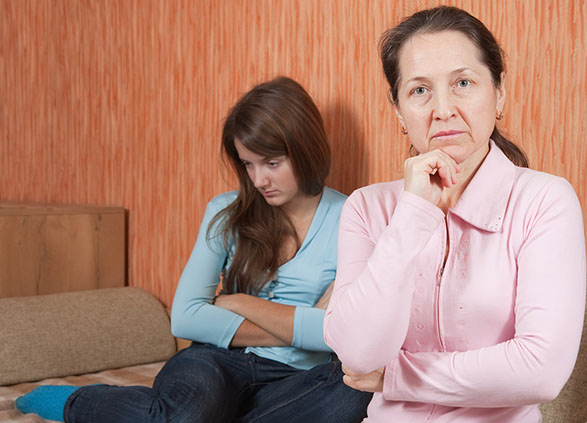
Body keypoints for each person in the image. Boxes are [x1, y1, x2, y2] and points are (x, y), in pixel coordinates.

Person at [17, 76, 372, 423]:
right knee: (188, 411)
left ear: (306, 148)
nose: (258, 180)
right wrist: (300, 323)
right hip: (216, 361)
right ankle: (77, 402)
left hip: (294, 379)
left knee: (358, 389)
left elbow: (333, 334)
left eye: (271, 163)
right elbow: (186, 317)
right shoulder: (225, 210)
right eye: (248, 164)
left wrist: (235, 302)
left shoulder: (353, 217)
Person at [324, 6, 586, 423]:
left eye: (463, 83)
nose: (443, 109)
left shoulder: (544, 201)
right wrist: (412, 215)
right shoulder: (367, 207)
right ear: (398, 110)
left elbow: (541, 370)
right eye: (419, 91)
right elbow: (356, 353)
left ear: (499, 92)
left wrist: (397, 376)